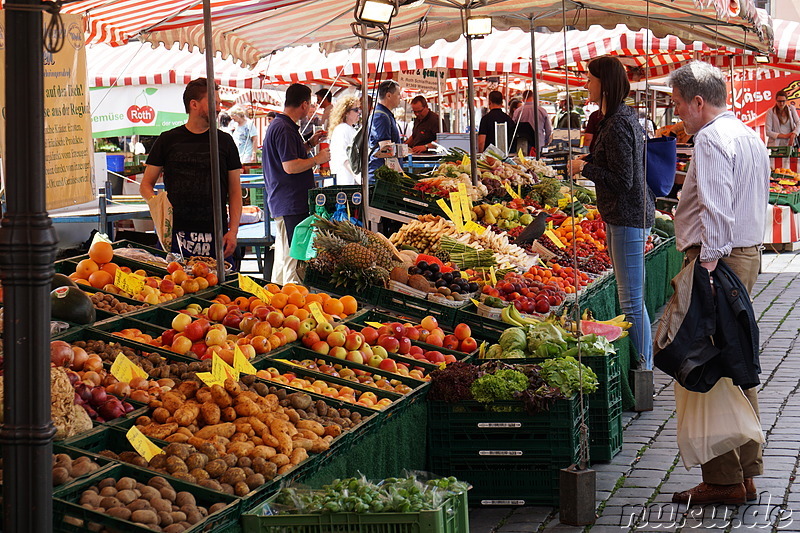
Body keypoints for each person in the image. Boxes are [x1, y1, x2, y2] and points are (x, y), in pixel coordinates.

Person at [667, 61, 769, 506]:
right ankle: (744, 472)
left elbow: (716, 210)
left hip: (719, 260)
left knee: (705, 362)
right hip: (744, 256)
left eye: (677, 105)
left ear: (698, 102)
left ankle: (724, 479)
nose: (677, 115)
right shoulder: (749, 135)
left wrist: (706, 269)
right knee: (735, 360)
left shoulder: (710, 139)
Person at [567, 56, 654, 371]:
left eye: (590, 79)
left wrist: (584, 167)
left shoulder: (617, 122)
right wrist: (589, 159)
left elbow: (623, 179)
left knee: (631, 302)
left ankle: (642, 372)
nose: (586, 84)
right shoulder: (616, 117)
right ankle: (641, 366)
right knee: (630, 299)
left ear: (604, 83)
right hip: (624, 216)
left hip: (627, 217)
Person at [141, 78, 242, 264]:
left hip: (217, 235)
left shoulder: (225, 142)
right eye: (214, 102)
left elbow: (235, 191)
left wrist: (233, 231)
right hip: (174, 237)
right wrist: (159, 206)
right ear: (194, 104)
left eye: (219, 103)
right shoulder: (167, 140)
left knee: (220, 291)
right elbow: (146, 185)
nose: (218, 108)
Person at [262, 83, 329, 284]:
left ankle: (278, 296)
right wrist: (317, 159)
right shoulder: (284, 128)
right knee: (294, 256)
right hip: (291, 201)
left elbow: (290, 155)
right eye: (310, 105)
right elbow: (290, 166)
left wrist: (309, 144)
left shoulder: (280, 125)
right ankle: (292, 298)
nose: (310, 109)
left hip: (284, 200)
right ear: (304, 104)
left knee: (285, 255)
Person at [368, 80, 402, 182]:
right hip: (380, 176)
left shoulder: (385, 114)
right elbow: (386, 148)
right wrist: (400, 172)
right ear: (388, 95)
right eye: (398, 94)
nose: (400, 97)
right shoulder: (381, 116)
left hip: (385, 174)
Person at [328, 95, 361, 185]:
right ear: (346, 112)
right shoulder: (342, 129)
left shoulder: (351, 129)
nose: (359, 112)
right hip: (343, 181)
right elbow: (344, 158)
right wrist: (358, 177)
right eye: (356, 110)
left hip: (349, 180)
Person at [513, 89, 551, 155]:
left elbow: (513, 128)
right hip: (539, 144)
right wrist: (546, 141)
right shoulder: (542, 111)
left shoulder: (518, 111)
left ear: (523, 98)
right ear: (534, 97)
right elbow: (548, 130)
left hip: (523, 145)